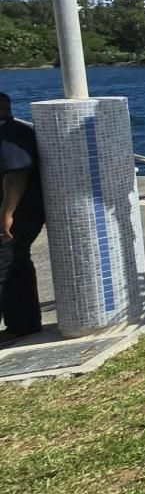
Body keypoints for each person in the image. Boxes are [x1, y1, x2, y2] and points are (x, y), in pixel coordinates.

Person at [0, 93, 44, 345]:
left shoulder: (10, 134)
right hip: (23, 213)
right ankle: (23, 325)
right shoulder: (17, 131)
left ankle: (22, 324)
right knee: (16, 266)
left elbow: (16, 174)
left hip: (17, 214)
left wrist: (7, 213)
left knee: (5, 268)